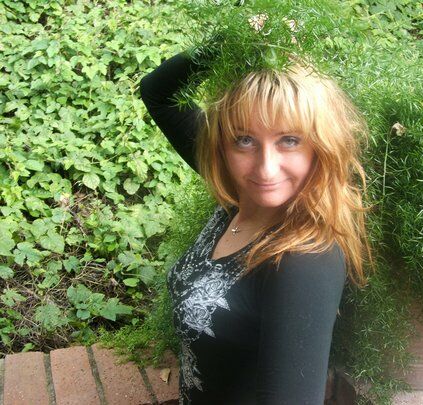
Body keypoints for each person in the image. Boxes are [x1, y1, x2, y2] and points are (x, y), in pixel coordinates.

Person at [139, 36, 371, 405]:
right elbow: (158, 92)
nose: (266, 168)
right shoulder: (242, 191)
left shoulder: (305, 261)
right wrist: (235, 40)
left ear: (320, 146)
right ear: (222, 146)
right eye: (245, 140)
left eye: (289, 140)